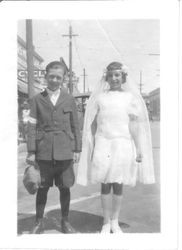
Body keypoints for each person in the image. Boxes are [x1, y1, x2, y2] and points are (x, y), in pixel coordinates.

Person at [77, 62, 155, 233]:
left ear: (123, 77)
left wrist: (138, 147)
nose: (114, 78)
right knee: (105, 183)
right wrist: (92, 145)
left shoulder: (130, 98)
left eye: (117, 75)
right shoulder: (100, 97)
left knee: (118, 183)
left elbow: (134, 124)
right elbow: (93, 124)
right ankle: (105, 221)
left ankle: (115, 221)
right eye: (111, 75)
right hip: (103, 142)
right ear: (106, 77)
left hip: (122, 143)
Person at [26, 61, 81, 234]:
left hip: (65, 151)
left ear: (64, 79)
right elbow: (31, 127)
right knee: (42, 188)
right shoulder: (36, 99)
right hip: (43, 152)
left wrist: (77, 149)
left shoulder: (69, 99)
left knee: (65, 187)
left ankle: (65, 222)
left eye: (59, 77)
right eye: (51, 76)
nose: (55, 80)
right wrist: (31, 151)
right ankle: (38, 222)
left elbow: (75, 125)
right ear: (45, 76)